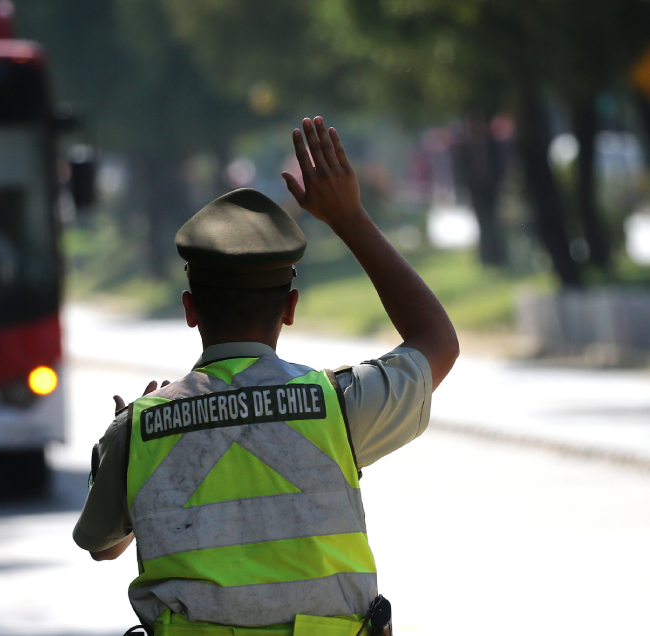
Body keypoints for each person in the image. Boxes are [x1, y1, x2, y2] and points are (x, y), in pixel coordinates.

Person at [72, 117, 459, 636]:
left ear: (190, 308)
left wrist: (125, 444)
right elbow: (437, 341)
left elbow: (103, 546)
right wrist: (350, 219)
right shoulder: (336, 407)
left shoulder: (142, 430)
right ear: (290, 307)